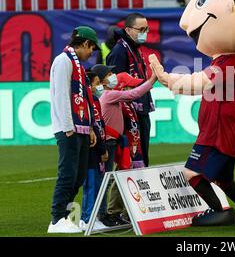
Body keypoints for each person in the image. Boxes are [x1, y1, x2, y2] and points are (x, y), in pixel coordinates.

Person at [149, 0, 235, 226]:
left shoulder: (230, 62)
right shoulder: (233, 60)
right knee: (223, 178)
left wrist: (166, 79)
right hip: (227, 128)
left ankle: (220, 211)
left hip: (218, 131)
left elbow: (201, 82)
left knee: (192, 173)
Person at [48, 26, 99, 234]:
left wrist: (90, 128)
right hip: (68, 128)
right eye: (91, 49)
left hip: (81, 127)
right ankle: (56, 219)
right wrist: (69, 127)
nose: (91, 54)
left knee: (78, 175)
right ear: (85, 44)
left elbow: (84, 98)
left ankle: (65, 216)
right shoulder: (63, 61)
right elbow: (61, 95)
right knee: (67, 174)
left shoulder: (75, 64)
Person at [91, 64, 156, 226]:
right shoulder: (108, 95)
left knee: (111, 176)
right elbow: (135, 93)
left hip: (115, 141)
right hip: (109, 142)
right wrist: (153, 79)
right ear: (102, 79)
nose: (113, 75)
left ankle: (108, 214)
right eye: (109, 74)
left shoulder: (108, 95)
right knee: (105, 178)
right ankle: (101, 215)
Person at [106, 13, 154, 168]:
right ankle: (125, 191)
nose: (144, 33)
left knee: (142, 154)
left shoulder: (135, 48)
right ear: (128, 30)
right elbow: (115, 84)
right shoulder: (119, 51)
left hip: (141, 109)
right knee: (130, 158)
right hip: (130, 113)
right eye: (141, 29)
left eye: (146, 29)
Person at [79, 71, 109, 231]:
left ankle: (90, 218)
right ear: (88, 86)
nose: (100, 86)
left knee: (97, 184)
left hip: (98, 148)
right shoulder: (86, 102)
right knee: (91, 184)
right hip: (91, 149)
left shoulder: (95, 100)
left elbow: (100, 125)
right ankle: (87, 219)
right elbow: (94, 126)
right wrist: (102, 149)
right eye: (96, 83)